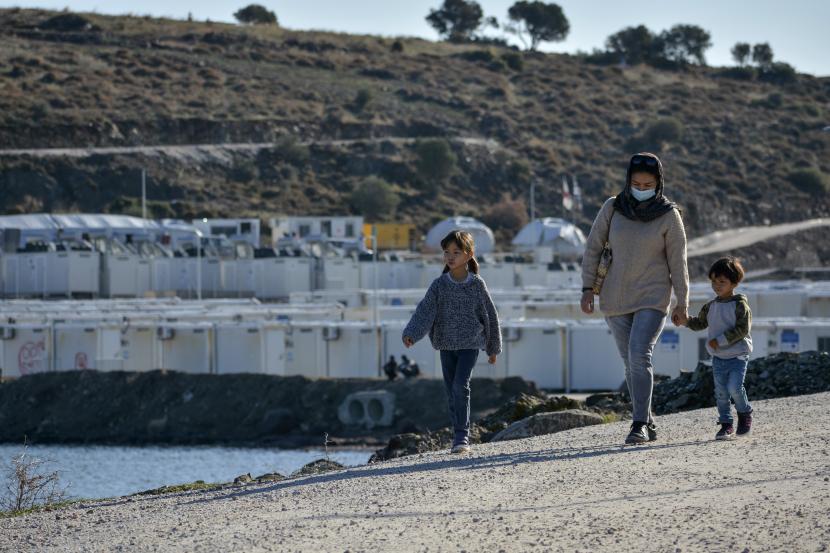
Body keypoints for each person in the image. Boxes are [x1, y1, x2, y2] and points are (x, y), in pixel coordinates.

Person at [581, 152, 689, 445]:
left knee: (640, 355)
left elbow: (678, 263)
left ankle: (638, 423)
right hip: (615, 297)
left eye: (648, 183)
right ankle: (648, 419)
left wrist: (682, 302)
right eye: (637, 183)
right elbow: (593, 248)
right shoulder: (613, 207)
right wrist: (587, 288)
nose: (642, 188)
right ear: (628, 181)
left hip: (652, 297)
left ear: (659, 183)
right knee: (630, 363)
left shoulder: (669, 215)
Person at [403, 230, 501, 454]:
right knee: (451, 390)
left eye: (456, 252)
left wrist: (492, 348)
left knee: (460, 386)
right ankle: (458, 433)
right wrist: (411, 334)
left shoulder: (477, 285)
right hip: (446, 345)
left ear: (469, 255)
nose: (450, 256)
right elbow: (425, 312)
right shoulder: (439, 285)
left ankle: (461, 436)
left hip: (470, 344)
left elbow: (490, 316)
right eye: (447, 252)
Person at [679, 257, 753, 440]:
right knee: (721, 392)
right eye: (713, 281)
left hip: (738, 356)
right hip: (719, 357)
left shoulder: (740, 305)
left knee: (735, 388)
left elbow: (743, 329)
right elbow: (700, 323)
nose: (717, 285)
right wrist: (686, 321)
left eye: (722, 282)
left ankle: (745, 414)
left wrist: (720, 340)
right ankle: (726, 424)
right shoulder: (711, 306)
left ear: (734, 283)